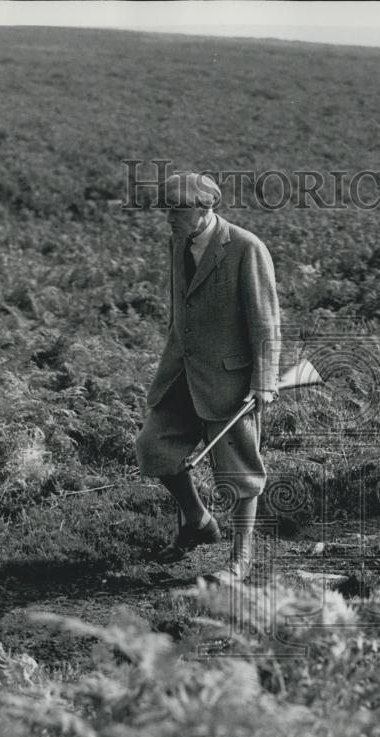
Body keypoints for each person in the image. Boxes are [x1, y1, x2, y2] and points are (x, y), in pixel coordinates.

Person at [136, 172, 280, 580]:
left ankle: (240, 559)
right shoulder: (177, 242)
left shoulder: (246, 248)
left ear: (205, 208)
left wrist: (264, 382)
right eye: (166, 208)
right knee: (153, 446)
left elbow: (266, 322)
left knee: (240, 473)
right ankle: (198, 522)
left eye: (178, 210)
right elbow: (178, 311)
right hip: (181, 373)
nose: (169, 217)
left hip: (230, 380)